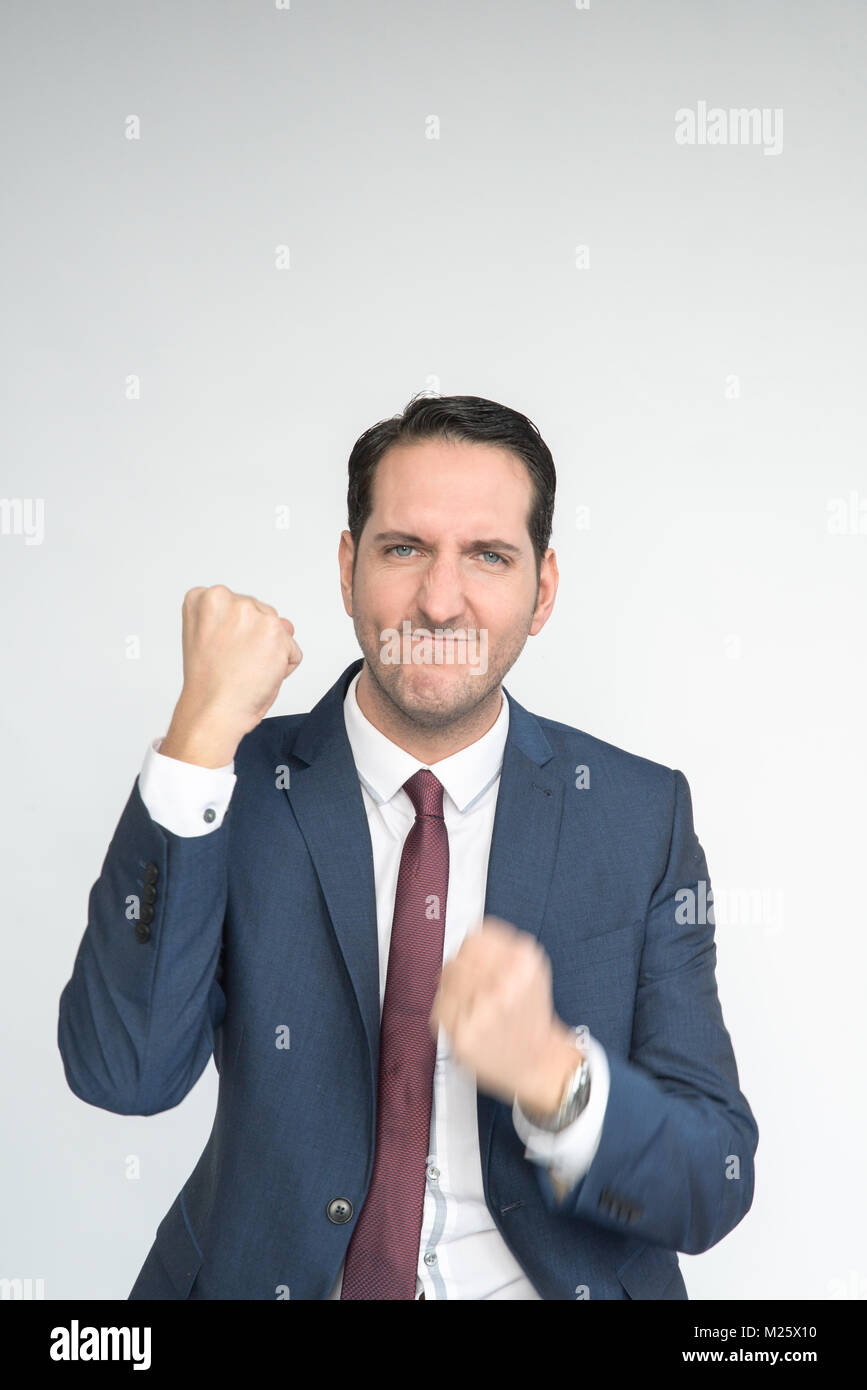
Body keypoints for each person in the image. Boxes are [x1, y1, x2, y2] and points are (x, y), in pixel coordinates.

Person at [57, 393, 758, 1300]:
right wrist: (195, 737)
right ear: (348, 565)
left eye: (488, 556)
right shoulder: (229, 784)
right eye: (402, 549)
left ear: (541, 590)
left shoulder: (637, 815)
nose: (438, 600)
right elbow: (124, 1075)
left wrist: (554, 1075)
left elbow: (714, 1185)